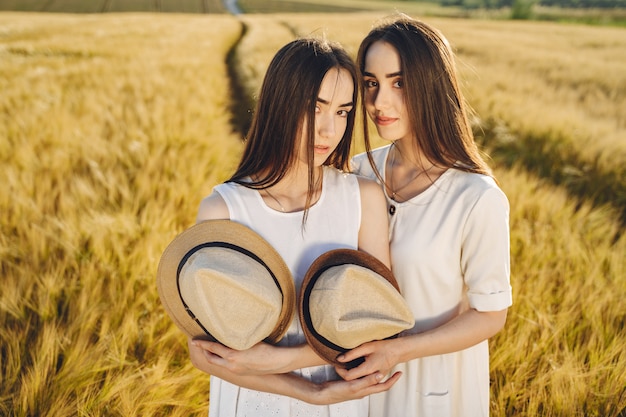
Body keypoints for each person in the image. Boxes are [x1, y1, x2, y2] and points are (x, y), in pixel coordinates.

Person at [187, 37, 398, 416]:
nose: (328, 130)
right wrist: (309, 391)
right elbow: (205, 354)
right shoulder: (224, 211)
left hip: (339, 402)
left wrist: (269, 360)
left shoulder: (363, 199)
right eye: (314, 108)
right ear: (279, 103)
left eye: (342, 112)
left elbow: (378, 324)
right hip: (254, 403)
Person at [345, 15, 513, 416]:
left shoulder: (475, 197)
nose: (378, 102)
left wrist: (398, 350)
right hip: (356, 389)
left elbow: (490, 315)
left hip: (433, 393)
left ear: (432, 85)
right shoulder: (356, 172)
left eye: (398, 82)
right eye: (371, 83)